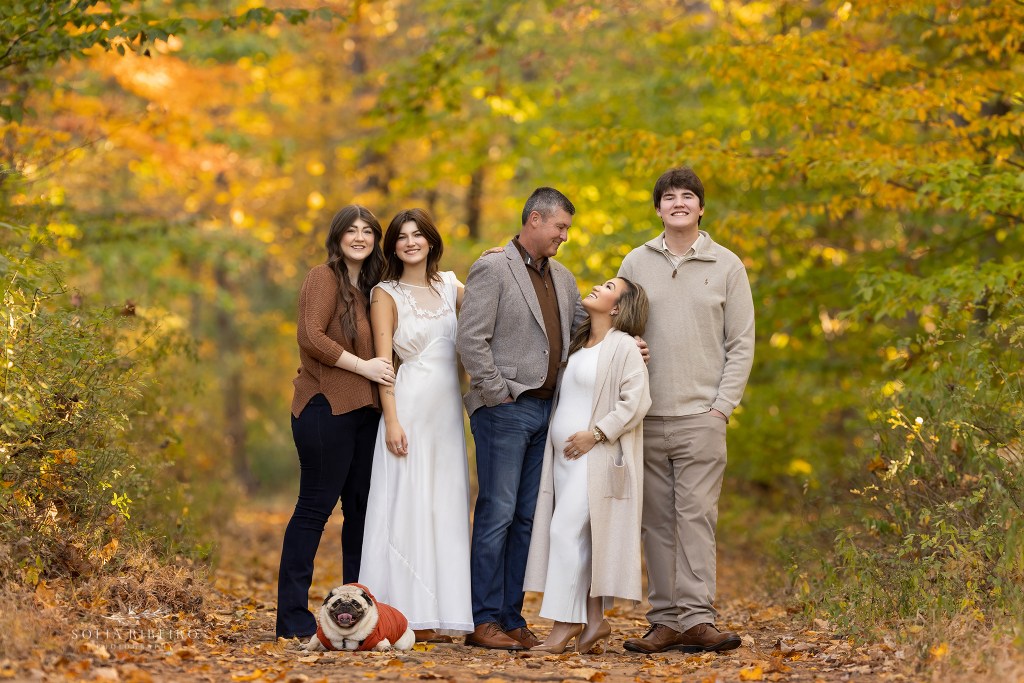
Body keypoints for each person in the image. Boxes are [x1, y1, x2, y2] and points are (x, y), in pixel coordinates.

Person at [619, 167, 755, 654]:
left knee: (695, 516)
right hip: (647, 415)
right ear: (658, 209)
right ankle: (665, 621)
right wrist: (628, 345)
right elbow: (615, 327)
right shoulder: (635, 262)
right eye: (669, 197)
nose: (678, 202)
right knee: (656, 520)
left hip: (703, 416)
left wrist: (721, 408)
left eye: (688, 196)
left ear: (701, 208)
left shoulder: (727, 265)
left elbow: (741, 344)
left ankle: (698, 618)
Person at [456, 187, 588, 650]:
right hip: (505, 412)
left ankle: (511, 618)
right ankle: (483, 620)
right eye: (560, 227)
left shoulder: (564, 278)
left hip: (547, 414)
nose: (564, 236)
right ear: (535, 219)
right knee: (497, 514)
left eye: (566, 228)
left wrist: (627, 345)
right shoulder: (493, 267)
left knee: (527, 520)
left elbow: (584, 333)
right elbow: (471, 339)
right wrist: (499, 395)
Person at [276, 205, 397, 640]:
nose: (360, 237)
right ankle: (291, 620)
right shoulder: (322, 277)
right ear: (338, 236)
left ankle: (356, 619)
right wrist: (365, 368)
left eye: (368, 230)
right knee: (313, 511)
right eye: (352, 230)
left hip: (365, 416)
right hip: (324, 409)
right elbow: (310, 336)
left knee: (361, 515)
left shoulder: (372, 289)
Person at [358, 208, 473, 641]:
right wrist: (391, 420)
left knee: (443, 506)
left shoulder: (451, 287)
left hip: (446, 414)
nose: (410, 242)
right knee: (406, 504)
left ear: (431, 241)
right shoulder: (384, 293)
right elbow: (383, 363)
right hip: (407, 407)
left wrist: (507, 257)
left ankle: (442, 615)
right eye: (402, 236)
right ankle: (404, 615)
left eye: (417, 234)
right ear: (393, 246)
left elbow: (497, 308)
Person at [523, 277, 652, 654]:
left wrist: (595, 434)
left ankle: (565, 625)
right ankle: (595, 622)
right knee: (580, 538)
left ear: (617, 307)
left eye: (609, 286)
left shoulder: (624, 346)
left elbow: (637, 401)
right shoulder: (580, 344)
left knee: (565, 532)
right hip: (564, 464)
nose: (598, 285)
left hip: (595, 459)